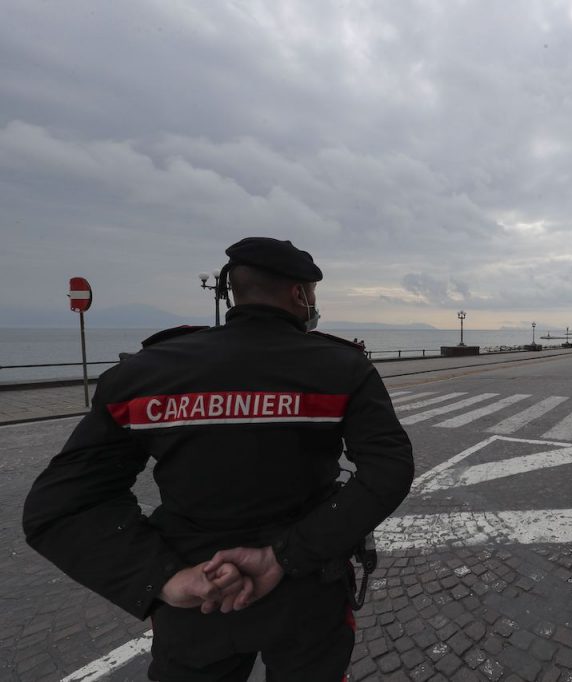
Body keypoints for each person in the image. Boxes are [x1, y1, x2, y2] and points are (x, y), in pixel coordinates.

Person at [23, 237, 415, 681]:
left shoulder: (145, 373)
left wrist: (166, 580)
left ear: (233, 292)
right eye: (313, 296)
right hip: (308, 590)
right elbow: (389, 468)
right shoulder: (342, 369)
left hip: (198, 596)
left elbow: (60, 506)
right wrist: (282, 556)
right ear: (300, 295)